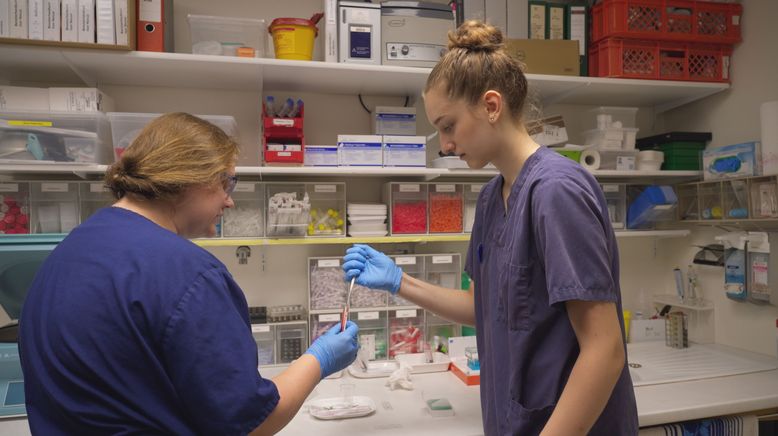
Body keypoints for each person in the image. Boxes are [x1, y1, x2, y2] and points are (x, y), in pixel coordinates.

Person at [343, 21, 638, 435]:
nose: (444, 144)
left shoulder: (556, 191)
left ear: (492, 106)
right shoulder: (490, 198)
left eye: (448, 126)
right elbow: (484, 308)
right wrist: (399, 281)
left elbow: (605, 350)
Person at [19, 112, 359, 435]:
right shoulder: (189, 274)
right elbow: (251, 422)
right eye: (226, 183)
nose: (229, 202)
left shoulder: (69, 251)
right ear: (190, 180)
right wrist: (320, 358)